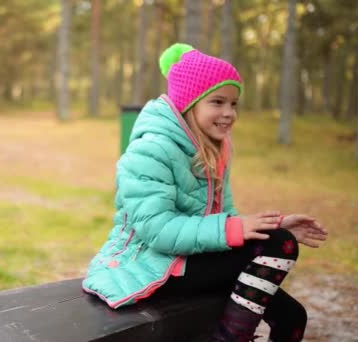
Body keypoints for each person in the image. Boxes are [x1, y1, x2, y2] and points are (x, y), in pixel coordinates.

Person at [82, 43, 328, 342]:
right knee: (281, 244)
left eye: (234, 104)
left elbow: (224, 218)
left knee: (292, 316)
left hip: (193, 258)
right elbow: (157, 230)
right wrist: (237, 229)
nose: (229, 113)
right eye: (218, 102)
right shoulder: (151, 149)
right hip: (153, 265)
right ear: (189, 103)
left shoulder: (215, 148)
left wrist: (270, 226)